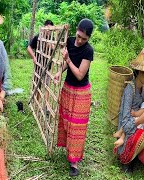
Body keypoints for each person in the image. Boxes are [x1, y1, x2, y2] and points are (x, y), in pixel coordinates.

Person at [53, 18, 94, 177]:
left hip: (81, 92)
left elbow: (79, 74)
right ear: (76, 31)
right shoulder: (69, 42)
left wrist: (68, 60)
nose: (79, 40)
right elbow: (66, 65)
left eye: (84, 39)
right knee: (66, 121)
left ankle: (74, 162)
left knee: (77, 126)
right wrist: (59, 72)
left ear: (88, 38)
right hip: (67, 89)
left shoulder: (88, 51)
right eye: (78, 36)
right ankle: (69, 152)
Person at [114, 48, 144, 170]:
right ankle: (126, 158)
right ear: (139, 73)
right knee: (143, 136)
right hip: (127, 132)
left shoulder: (143, 89)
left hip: (137, 124)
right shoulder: (129, 90)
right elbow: (125, 123)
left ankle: (143, 155)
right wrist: (140, 120)